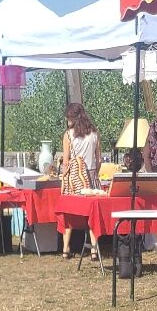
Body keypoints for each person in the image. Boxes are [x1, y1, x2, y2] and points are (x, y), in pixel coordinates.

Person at [60, 102, 101, 261]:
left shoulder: (68, 135)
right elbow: (98, 160)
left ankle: (65, 248)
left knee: (69, 213)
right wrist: (94, 173)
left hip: (76, 178)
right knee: (93, 215)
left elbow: (66, 161)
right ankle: (94, 250)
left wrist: (64, 177)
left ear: (72, 117)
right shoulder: (95, 133)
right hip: (92, 175)